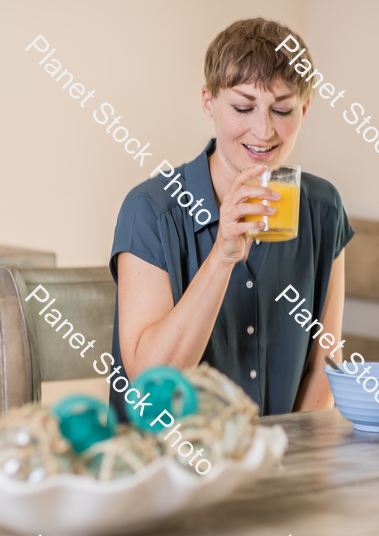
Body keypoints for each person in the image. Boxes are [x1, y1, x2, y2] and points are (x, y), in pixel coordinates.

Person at [107, 17, 354, 420]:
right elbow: (151, 385)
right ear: (208, 102)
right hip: (166, 465)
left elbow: (324, 368)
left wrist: (289, 465)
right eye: (243, 107)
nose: (264, 130)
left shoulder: (323, 209)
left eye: (283, 109)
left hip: (276, 468)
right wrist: (222, 255)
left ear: (305, 109)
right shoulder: (150, 210)